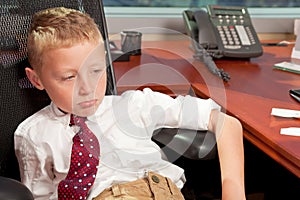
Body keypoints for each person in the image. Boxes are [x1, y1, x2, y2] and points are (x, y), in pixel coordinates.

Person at [14, 7, 246, 200]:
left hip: (164, 190)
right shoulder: (34, 134)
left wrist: (233, 189)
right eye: (69, 77)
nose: (87, 88)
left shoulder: (134, 105)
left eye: (95, 71)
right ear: (36, 79)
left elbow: (226, 122)